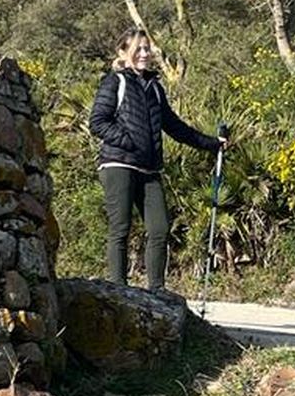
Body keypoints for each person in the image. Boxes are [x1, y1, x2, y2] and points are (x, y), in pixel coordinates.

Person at [87, 30, 226, 291]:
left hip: (149, 168)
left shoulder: (155, 89)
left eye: (147, 49)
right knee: (121, 228)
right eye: (137, 49)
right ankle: (118, 289)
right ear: (123, 53)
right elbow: (97, 122)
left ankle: (157, 291)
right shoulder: (115, 82)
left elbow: (175, 127)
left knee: (160, 228)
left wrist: (212, 144)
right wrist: (129, 142)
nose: (143, 54)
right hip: (119, 164)